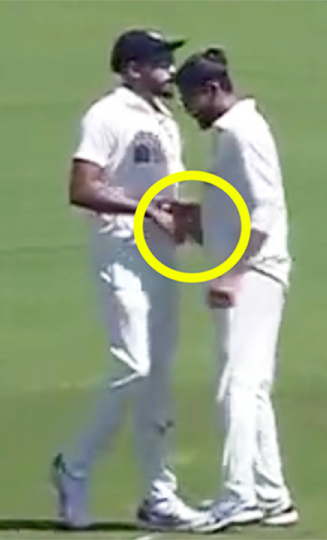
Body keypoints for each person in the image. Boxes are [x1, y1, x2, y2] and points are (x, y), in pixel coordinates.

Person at [52, 28, 205, 531]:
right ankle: (73, 468)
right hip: (121, 252)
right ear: (132, 68)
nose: (169, 68)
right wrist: (147, 210)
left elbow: (165, 193)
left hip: (162, 257)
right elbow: (82, 188)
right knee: (134, 366)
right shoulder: (107, 115)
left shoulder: (164, 120)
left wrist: (188, 218)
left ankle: (159, 496)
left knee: (157, 376)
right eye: (160, 60)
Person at [171, 47, 299, 533]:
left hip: (255, 274)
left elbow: (263, 214)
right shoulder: (232, 135)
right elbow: (236, 210)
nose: (189, 110)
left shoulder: (244, 135)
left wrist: (233, 273)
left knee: (238, 387)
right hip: (251, 269)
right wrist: (190, 219)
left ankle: (238, 496)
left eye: (191, 100)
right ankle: (272, 496)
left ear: (213, 90)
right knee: (253, 387)